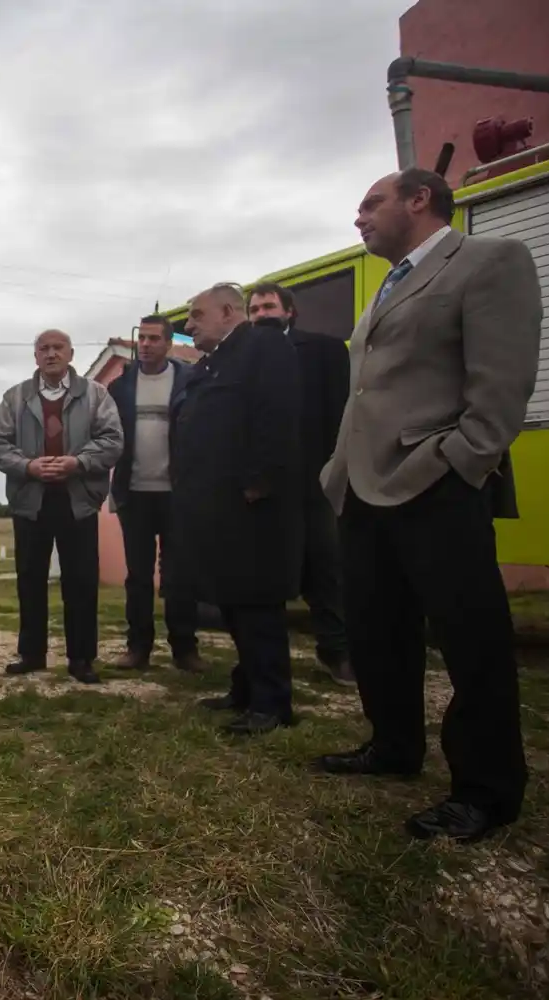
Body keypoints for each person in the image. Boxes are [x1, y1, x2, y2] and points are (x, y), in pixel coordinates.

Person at [313, 168, 541, 844]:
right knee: (378, 629)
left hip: (435, 482)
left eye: (370, 203)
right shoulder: (387, 284)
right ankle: (393, 746)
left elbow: (502, 386)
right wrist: (339, 470)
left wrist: (461, 459)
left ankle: (486, 790)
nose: (359, 218)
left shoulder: (488, 261)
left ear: (420, 199)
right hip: (363, 487)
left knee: (472, 640)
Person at [173, 284, 303, 736]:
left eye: (195, 315)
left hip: (251, 505)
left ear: (228, 311)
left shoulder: (264, 345)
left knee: (257, 604)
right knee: (233, 601)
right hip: (216, 505)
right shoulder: (213, 361)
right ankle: (246, 688)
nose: (188, 327)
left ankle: (272, 703)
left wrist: (259, 481)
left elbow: (279, 414)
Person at [0, 329, 123, 684]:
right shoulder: (15, 397)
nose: (50, 354)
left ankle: (82, 659)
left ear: (71, 353)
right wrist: (28, 466)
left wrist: (78, 462)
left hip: (78, 501)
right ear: (35, 356)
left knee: (81, 581)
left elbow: (112, 441)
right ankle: (32, 655)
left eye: (57, 347)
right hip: (30, 501)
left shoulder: (96, 395)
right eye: (43, 348)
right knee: (30, 579)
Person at [246, 282, 353, 685]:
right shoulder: (242, 358)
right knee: (266, 576)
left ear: (289, 311)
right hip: (263, 489)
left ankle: (336, 652)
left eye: (268, 306)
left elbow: (341, 415)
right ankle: (267, 665)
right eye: (254, 309)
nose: (261, 315)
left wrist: (330, 472)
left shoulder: (325, 351)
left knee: (325, 570)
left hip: (313, 482)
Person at [106, 315, 201, 673]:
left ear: (167, 343)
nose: (145, 345)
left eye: (153, 339)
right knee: (138, 576)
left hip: (178, 494)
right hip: (135, 494)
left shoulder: (190, 380)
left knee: (180, 575)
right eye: (141, 338)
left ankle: (185, 649)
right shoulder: (121, 387)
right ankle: (138, 648)